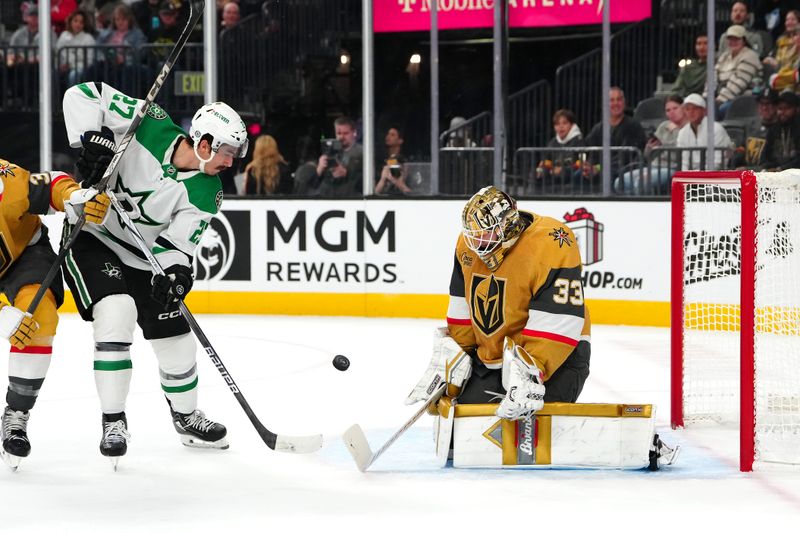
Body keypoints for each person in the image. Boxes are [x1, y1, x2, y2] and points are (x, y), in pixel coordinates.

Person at [61, 81, 249, 463]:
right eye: (227, 152)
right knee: (117, 314)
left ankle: (185, 417)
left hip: (143, 258)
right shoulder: (151, 121)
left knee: (177, 339)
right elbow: (83, 94)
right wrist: (91, 141)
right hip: (92, 237)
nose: (231, 162)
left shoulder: (207, 190)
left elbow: (178, 246)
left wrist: (177, 274)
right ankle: (113, 421)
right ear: (205, 142)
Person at [406, 185, 591, 420]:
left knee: (519, 431)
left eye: (485, 233)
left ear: (507, 225)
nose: (477, 242)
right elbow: (462, 306)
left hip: (558, 359)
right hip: (494, 360)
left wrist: (532, 372)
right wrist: (454, 359)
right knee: (462, 429)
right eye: (473, 234)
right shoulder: (468, 246)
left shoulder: (551, 242)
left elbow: (559, 317)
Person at [0, 158, 110, 469]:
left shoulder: (7, 180)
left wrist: (75, 198)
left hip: (25, 256)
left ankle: (16, 413)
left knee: (39, 319)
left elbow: (50, 186)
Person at [616, 95, 688, 194]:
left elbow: (679, 152)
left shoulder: (688, 128)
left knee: (641, 183)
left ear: (683, 108)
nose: (672, 113)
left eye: (675, 108)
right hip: (654, 165)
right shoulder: (663, 126)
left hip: (673, 168)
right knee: (620, 182)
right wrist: (649, 148)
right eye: (668, 110)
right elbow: (647, 156)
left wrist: (674, 131)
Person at [583, 87, 648, 190]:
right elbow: (590, 150)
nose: (615, 103)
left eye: (619, 99)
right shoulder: (599, 128)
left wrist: (599, 168)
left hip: (623, 169)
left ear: (624, 103)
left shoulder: (633, 126)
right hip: (600, 169)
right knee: (578, 175)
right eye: (611, 100)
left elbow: (626, 156)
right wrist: (588, 165)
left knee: (609, 175)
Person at [712, 25, 763, 117]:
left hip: (744, 97)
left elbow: (738, 83)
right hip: (721, 96)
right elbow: (713, 77)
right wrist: (706, 97)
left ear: (744, 41)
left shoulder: (750, 56)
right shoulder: (724, 56)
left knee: (716, 109)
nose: (733, 42)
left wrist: (718, 100)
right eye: (730, 39)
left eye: (736, 39)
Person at [676, 93, 734, 170]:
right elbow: (683, 161)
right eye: (687, 109)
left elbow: (717, 163)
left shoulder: (716, 129)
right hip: (692, 176)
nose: (691, 112)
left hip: (716, 176)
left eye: (695, 108)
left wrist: (698, 174)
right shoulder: (682, 132)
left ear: (704, 111)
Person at [535, 108, 584, 194]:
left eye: (564, 123)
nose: (561, 127)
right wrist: (542, 169)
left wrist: (562, 170)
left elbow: (581, 164)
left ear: (572, 125)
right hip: (555, 175)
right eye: (557, 124)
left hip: (572, 177)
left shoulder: (579, 141)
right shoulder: (553, 142)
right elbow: (546, 160)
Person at [314, 116, 364, 197]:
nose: (341, 137)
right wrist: (319, 169)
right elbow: (314, 183)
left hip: (351, 198)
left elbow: (369, 181)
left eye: (345, 133)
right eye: (339, 133)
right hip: (328, 197)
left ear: (354, 133)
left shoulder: (363, 153)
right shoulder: (329, 151)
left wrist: (347, 174)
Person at [761, 90, 800, 170]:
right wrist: (768, 168)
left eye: (787, 108)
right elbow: (764, 157)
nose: (782, 112)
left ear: (797, 109)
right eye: (780, 108)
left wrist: (781, 168)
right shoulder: (773, 129)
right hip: (775, 175)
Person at [56, 9, 96, 87]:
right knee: (51, 73)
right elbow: (57, 53)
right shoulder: (64, 35)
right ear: (70, 21)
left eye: (81, 22)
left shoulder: (88, 38)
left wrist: (70, 65)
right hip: (63, 67)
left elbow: (88, 61)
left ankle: (72, 98)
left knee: (73, 75)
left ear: (84, 24)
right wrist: (60, 65)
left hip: (81, 68)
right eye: (75, 21)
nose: (78, 24)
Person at [375, 126, 411, 195]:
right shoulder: (381, 160)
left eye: (392, 135)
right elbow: (375, 192)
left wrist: (394, 179)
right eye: (388, 134)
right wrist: (383, 179)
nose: (388, 137)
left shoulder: (404, 161)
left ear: (400, 140)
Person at [763, 10, 800, 77]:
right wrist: (771, 60)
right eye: (787, 20)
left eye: (793, 19)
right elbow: (775, 60)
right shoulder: (781, 41)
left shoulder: (798, 42)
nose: (789, 22)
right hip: (778, 74)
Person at [671, 34, 708, 98]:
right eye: (699, 44)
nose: (702, 47)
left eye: (706, 43)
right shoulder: (687, 67)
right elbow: (676, 90)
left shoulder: (718, 65)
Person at [767, 27, 800, 92]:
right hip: (787, 88)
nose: (798, 37)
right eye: (796, 35)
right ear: (792, 38)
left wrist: (777, 80)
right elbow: (783, 72)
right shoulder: (788, 55)